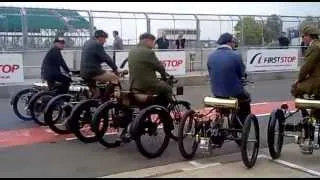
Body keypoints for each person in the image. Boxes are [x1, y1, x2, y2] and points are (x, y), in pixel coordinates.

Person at [207, 33, 250, 124]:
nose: (234, 44)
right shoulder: (236, 55)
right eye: (234, 42)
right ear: (229, 43)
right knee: (246, 99)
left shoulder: (211, 56)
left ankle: (218, 121)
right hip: (234, 93)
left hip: (216, 92)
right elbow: (241, 74)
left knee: (221, 103)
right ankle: (239, 125)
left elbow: (211, 73)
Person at [128, 32, 172, 106]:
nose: (153, 44)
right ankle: (163, 112)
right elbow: (160, 68)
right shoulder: (149, 52)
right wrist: (164, 77)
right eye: (153, 42)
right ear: (147, 41)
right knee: (167, 89)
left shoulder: (132, 51)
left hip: (133, 84)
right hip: (147, 84)